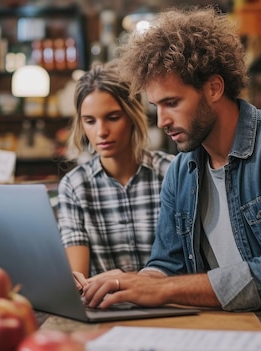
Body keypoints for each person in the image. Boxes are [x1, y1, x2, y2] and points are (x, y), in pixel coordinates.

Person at [80, 7, 261, 351]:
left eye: (172, 102)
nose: (161, 120)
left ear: (214, 88)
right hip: (240, 334)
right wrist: (128, 283)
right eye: (156, 106)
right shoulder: (182, 170)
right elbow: (168, 263)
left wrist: (160, 289)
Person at [57, 62, 174, 286]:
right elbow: (78, 280)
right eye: (90, 121)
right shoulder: (74, 186)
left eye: (112, 117)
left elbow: (187, 265)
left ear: (132, 115)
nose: (101, 132)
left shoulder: (171, 172)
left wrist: (125, 280)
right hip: (106, 309)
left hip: (171, 306)